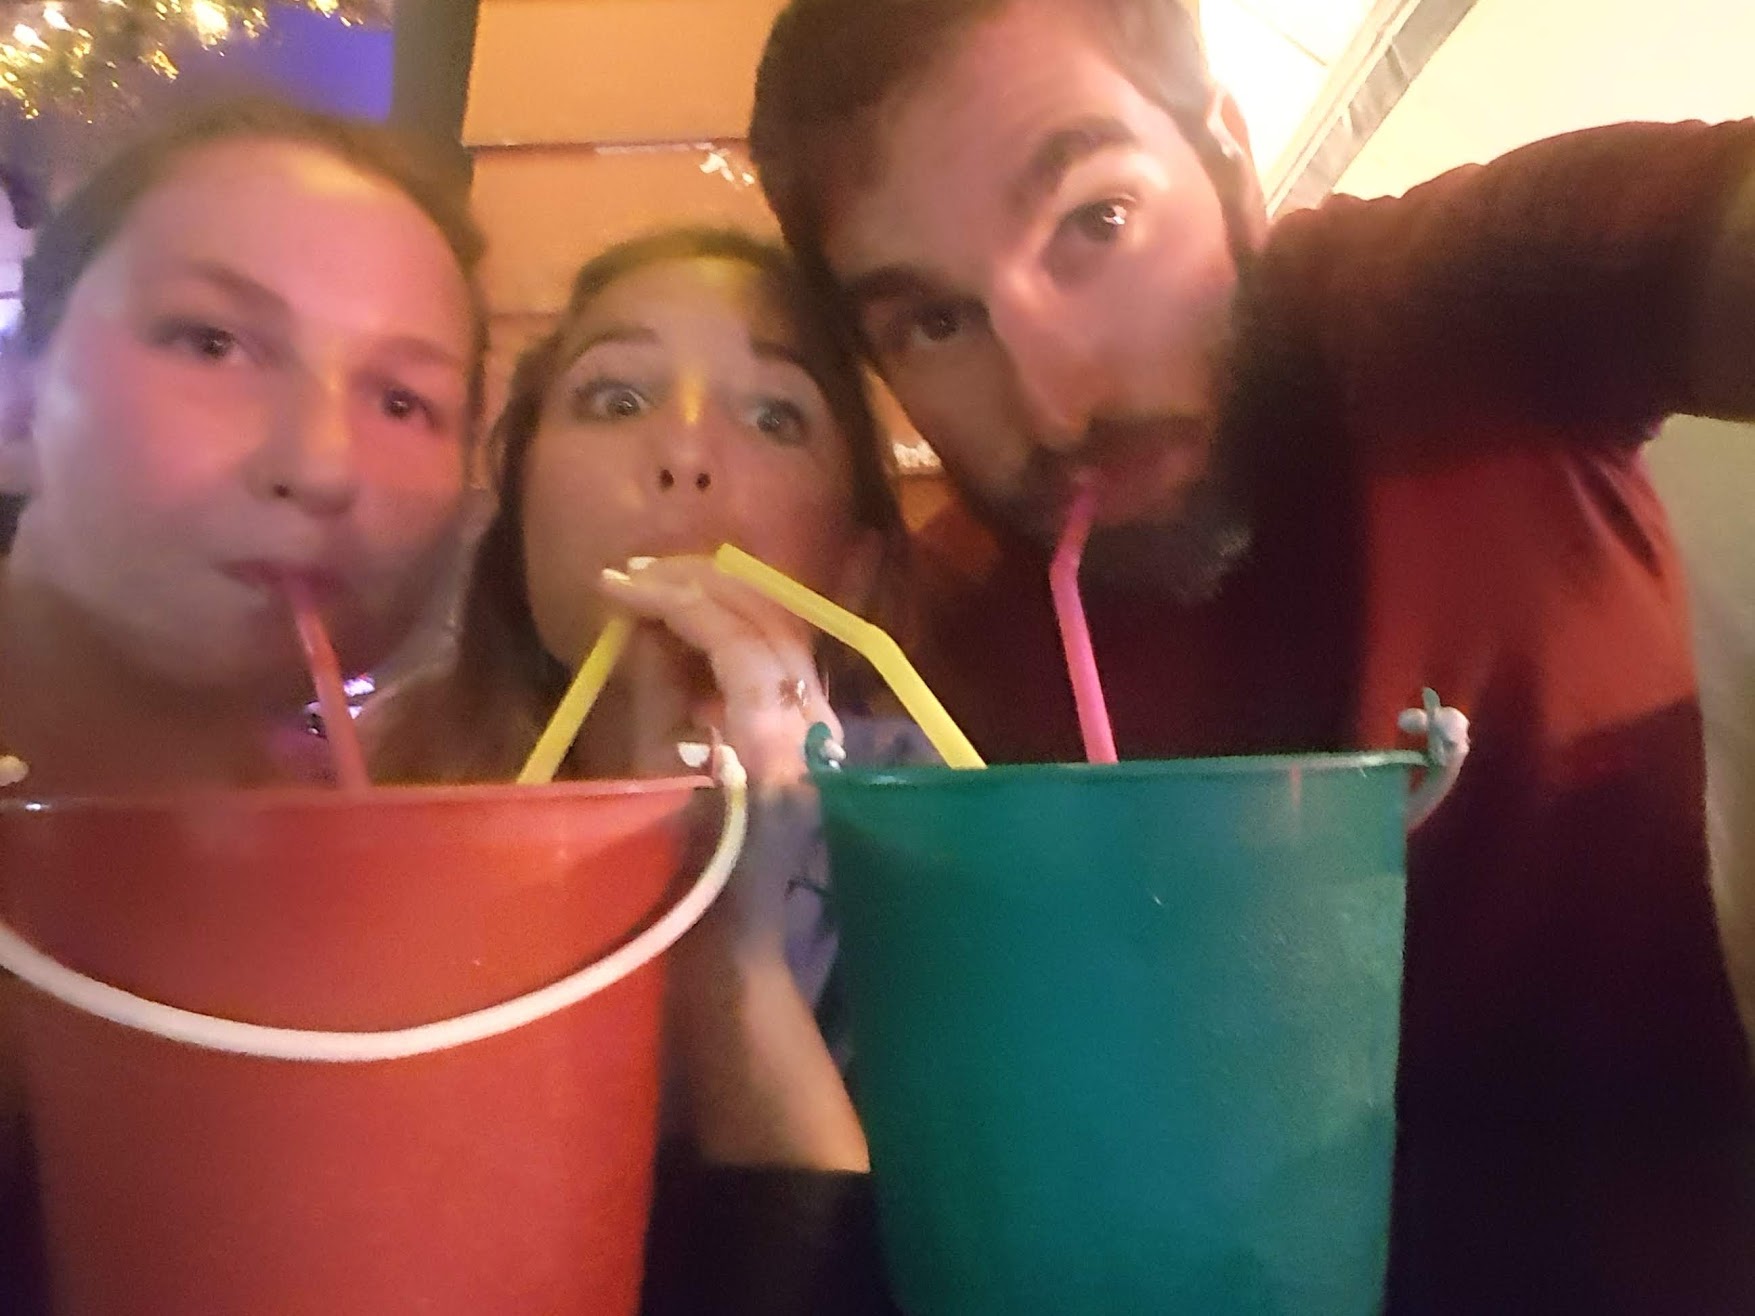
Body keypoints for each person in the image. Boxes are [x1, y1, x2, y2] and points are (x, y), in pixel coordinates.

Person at [748, 0, 1755, 1310]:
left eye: (1096, 221)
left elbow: (1697, 238)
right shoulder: (929, 650)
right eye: (934, 321)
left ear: (1226, 159)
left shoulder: (1437, 309)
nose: (1055, 403)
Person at [366, 227, 919, 1314]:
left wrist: (729, 950)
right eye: (616, 399)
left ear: (850, 569)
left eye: (774, 416)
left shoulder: (934, 834)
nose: (684, 454)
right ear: (519, 509)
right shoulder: (380, 798)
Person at [0, 97, 488, 1316]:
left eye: (403, 401)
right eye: (211, 342)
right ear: (18, 394)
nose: (319, 465)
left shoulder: (405, 880)